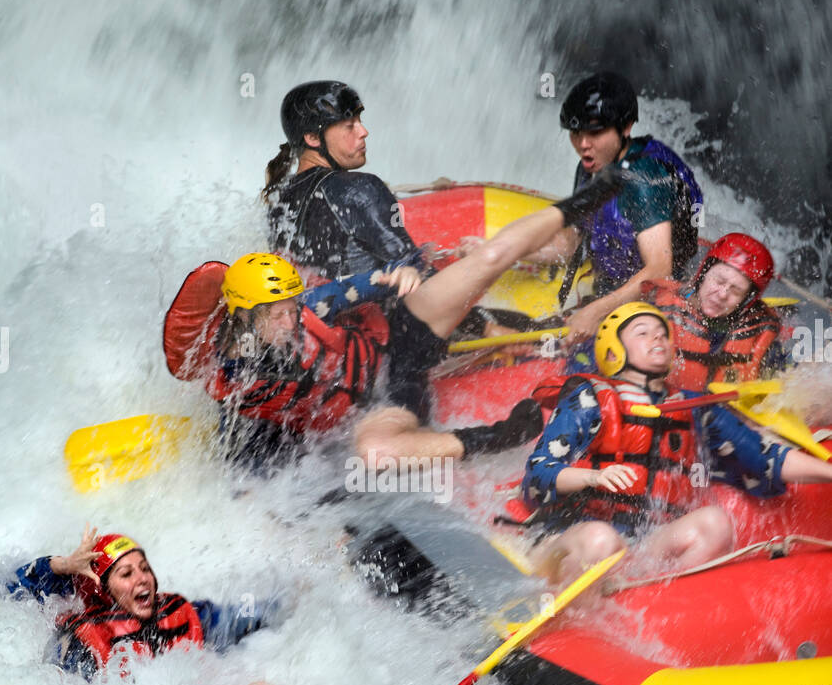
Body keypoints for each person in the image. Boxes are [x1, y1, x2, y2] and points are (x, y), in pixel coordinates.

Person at [164, 170, 628, 470]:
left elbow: (354, 288)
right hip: (385, 400)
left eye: (292, 307)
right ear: (248, 318)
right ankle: (506, 433)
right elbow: (249, 452)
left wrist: (396, 275)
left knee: (492, 257)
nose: (293, 319)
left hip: (401, 340)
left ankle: (586, 200)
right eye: (280, 313)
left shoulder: (311, 307)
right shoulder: (234, 382)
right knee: (377, 454)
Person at [356, 303, 832, 588]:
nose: (659, 339)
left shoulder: (694, 406)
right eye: (643, 333)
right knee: (604, 541)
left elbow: (767, 459)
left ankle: (652, 601)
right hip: (571, 538)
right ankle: (571, 599)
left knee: (712, 522)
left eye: (663, 334)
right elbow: (540, 474)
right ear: (614, 348)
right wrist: (594, 476)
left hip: (645, 548)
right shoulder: (590, 398)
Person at [7, 528, 371, 685]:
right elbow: (10, 588)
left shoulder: (178, 612)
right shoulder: (83, 644)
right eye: (126, 573)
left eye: (144, 567)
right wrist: (60, 566)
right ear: (102, 590)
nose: (142, 578)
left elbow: (240, 620)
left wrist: (300, 594)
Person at [525, 72, 703, 345]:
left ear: (626, 127)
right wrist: (505, 253)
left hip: (656, 304)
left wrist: (594, 311)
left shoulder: (644, 180)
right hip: (611, 287)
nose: (583, 144)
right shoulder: (590, 166)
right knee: (515, 328)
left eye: (595, 132)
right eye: (576, 133)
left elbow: (659, 268)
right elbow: (570, 242)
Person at [262, 81, 427, 283]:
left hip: (317, 309)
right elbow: (410, 265)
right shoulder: (361, 188)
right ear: (313, 137)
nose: (363, 131)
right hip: (374, 309)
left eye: (360, 122)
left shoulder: (278, 201)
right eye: (350, 126)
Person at [642, 232, 784, 390]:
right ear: (702, 275)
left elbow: (790, 381)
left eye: (736, 291)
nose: (722, 294)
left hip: (722, 412)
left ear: (747, 301)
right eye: (719, 281)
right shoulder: (658, 313)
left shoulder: (761, 337)